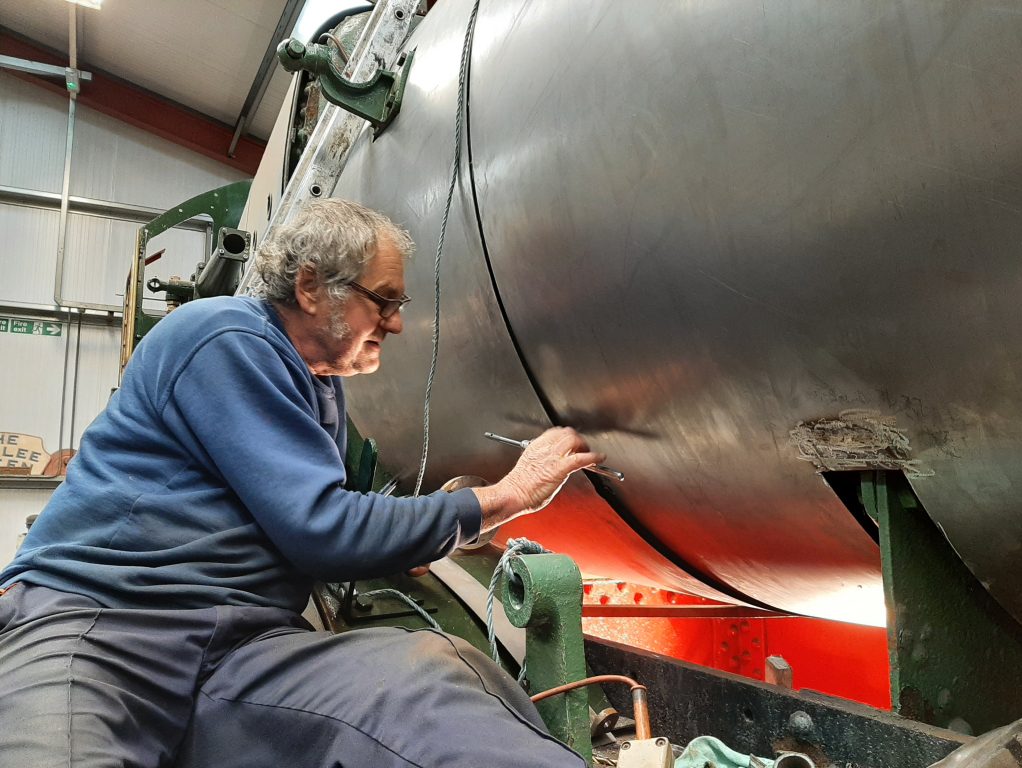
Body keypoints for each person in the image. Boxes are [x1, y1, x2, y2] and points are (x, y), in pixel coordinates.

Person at [0, 198, 603, 767]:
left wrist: (409, 532)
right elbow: (322, 528)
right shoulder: (224, 336)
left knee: (426, 684)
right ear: (311, 287)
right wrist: (509, 494)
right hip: (108, 626)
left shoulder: (318, 384)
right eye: (383, 300)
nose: (395, 323)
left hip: (244, 648)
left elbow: (316, 522)